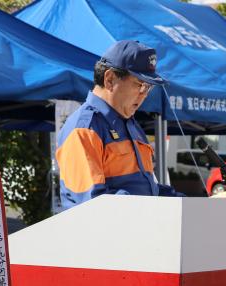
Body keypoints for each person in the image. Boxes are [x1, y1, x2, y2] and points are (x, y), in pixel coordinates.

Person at [56, 40, 182, 209]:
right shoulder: (84, 129)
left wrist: (192, 203)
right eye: (139, 85)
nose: (144, 95)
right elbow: (94, 203)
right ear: (109, 79)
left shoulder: (132, 125)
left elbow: (149, 191)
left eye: (148, 88)